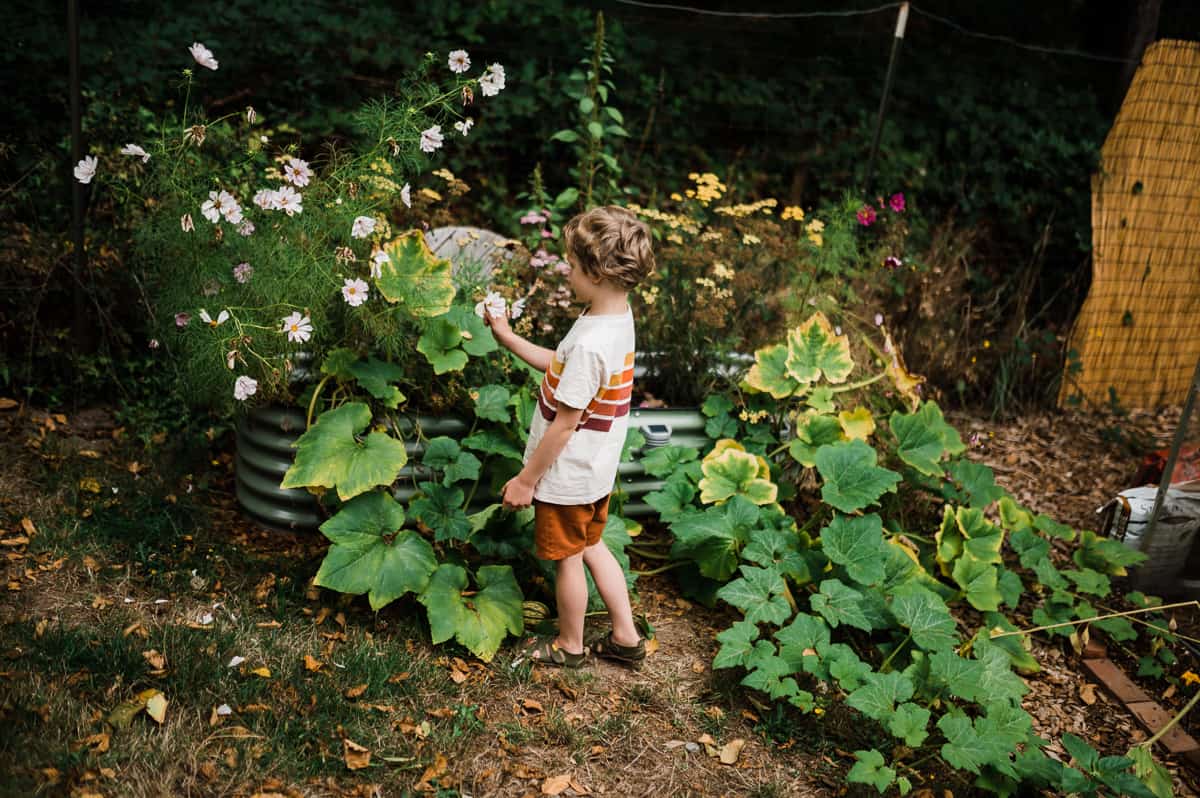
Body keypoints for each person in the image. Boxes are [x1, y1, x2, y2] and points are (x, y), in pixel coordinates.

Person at [483, 205, 654, 669]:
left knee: (568, 559)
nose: (568, 274)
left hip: (567, 476)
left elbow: (564, 423)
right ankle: (625, 636)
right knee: (592, 546)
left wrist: (526, 480)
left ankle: (570, 645)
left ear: (597, 273)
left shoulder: (589, 344)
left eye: (573, 268)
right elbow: (560, 366)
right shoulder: (616, 319)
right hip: (596, 471)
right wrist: (507, 337)